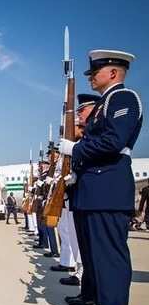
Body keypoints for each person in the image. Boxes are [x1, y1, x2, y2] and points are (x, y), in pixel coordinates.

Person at [60, 50, 141, 305]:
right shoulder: (106, 102)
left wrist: (76, 150)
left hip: (108, 189)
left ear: (114, 73)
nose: (92, 76)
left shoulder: (123, 98)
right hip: (95, 189)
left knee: (110, 258)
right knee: (97, 258)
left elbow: (113, 141)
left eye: (96, 71)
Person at [58, 94, 100, 286]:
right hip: (75, 198)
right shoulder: (82, 144)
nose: (78, 115)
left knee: (82, 239)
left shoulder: (91, 140)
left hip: (89, 197)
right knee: (72, 235)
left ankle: (82, 273)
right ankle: (80, 272)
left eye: (81, 111)